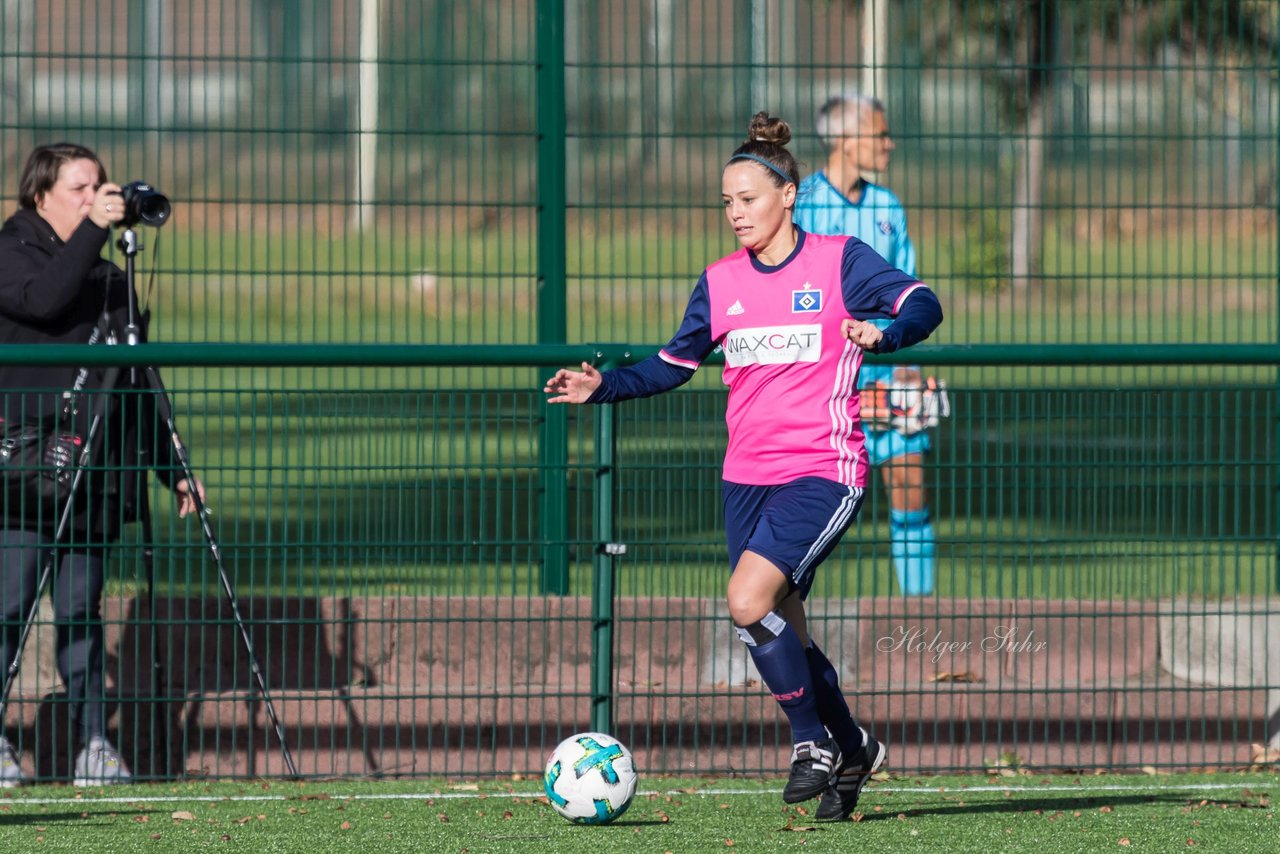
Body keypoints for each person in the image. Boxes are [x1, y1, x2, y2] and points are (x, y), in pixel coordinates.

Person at [544, 113, 942, 821]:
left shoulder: (839, 260)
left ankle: (810, 743)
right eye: (726, 202)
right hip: (744, 480)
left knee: (746, 603)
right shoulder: (720, 281)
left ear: (788, 194)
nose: (735, 214)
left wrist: (885, 330)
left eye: (748, 199)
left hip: (824, 469)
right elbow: (672, 364)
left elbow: (921, 302)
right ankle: (854, 748)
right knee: (783, 626)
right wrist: (602, 385)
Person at [0, 142, 204, 787]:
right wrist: (93, 233)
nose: (97, 199)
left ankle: (93, 742)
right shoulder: (12, 250)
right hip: (25, 474)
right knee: (9, 605)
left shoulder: (113, 274)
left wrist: (174, 466)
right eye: (80, 189)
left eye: (101, 187)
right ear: (41, 196)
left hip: (97, 473)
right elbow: (43, 302)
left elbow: (136, 376)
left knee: (82, 610)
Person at [795, 93, 941, 597]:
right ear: (845, 139)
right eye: (880, 134)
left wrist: (903, 366)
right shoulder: (804, 204)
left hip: (885, 371)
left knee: (909, 488)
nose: (889, 143)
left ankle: (919, 619)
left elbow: (908, 290)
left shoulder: (888, 206)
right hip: (826, 381)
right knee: (810, 506)